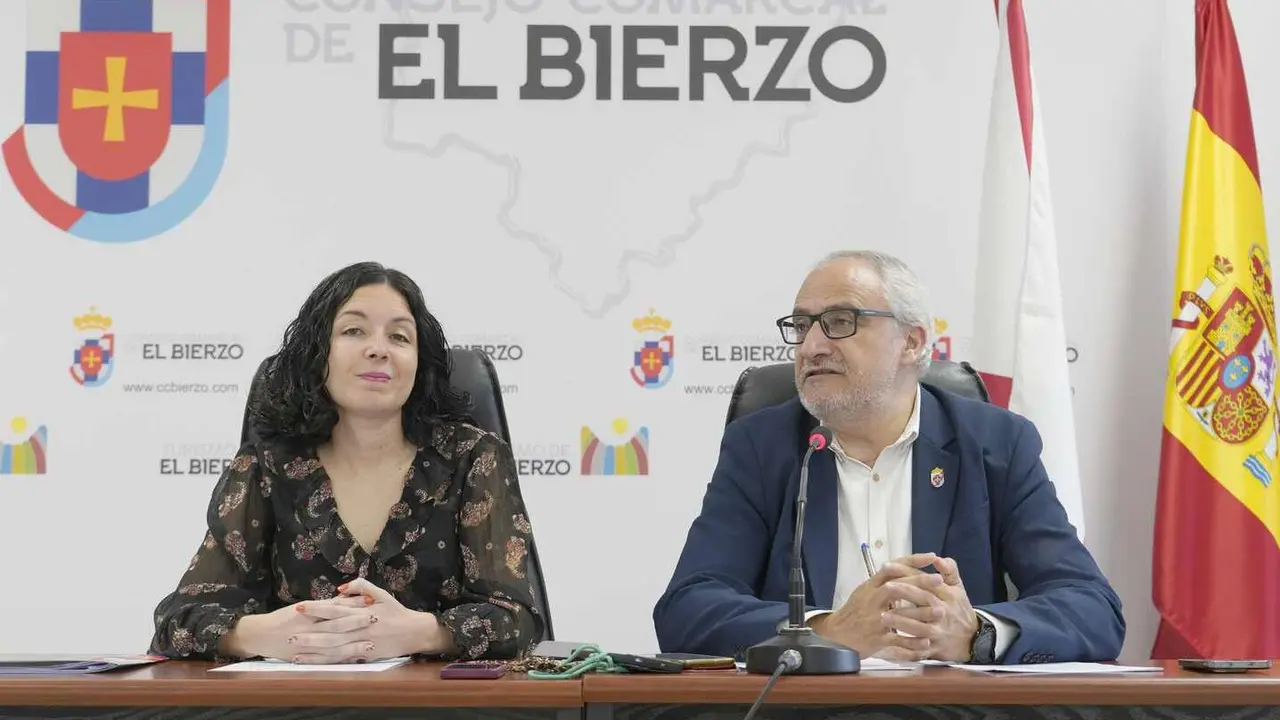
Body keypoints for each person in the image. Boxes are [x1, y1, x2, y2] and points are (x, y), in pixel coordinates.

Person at [653, 250, 1124, 665]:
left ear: (912, 342)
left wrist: (975, 634)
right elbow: (688, 607)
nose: (812, 346)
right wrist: (823, 632)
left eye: (840, 321)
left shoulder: (995, 443)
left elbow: (1091, 608)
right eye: (801, 326)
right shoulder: (763, 445)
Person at [149, 262, 545, 663]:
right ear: (318, 355)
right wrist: (258, 634)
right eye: (353, 330)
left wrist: (423, 633)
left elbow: (517, 620)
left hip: (433, 704)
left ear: (418, 363)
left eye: (399, 336)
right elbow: (177, 623)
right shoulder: (267, 465)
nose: (379, 348)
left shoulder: (472, 457)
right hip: (298, 705)